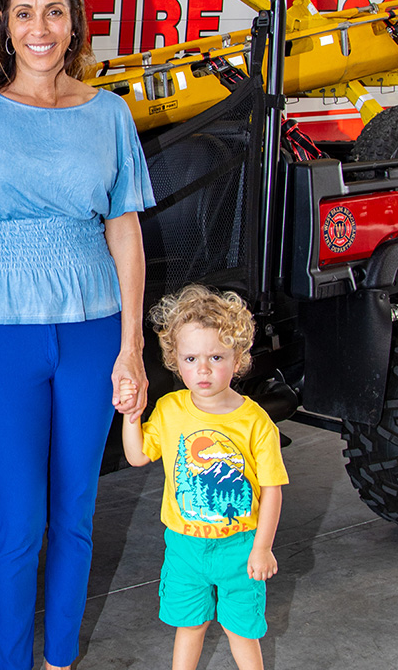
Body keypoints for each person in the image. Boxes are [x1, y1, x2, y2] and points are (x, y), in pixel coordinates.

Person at [0, 0, 156, 670]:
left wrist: (132, 345)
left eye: (54, 11)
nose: (41, 29)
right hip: (0, 337)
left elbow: (126, 236)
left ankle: (60, 663)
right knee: (21, 522)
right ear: (4, 25)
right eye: (24, 14)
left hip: (91, 334)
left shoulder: (109, 113)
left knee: (77, 516)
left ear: (75, 22)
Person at [120, 285, 289, 670]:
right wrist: (132, 416)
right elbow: (138, 455)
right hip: (185, 549)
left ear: (238, 357)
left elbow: (272, 491)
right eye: (191, 358)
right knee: (189, 626)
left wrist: (262, 548)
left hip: (240, 548)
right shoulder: (170, 408)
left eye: (216, 356)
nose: (204, 369)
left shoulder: (255, 422)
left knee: (242, 631)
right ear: (175, 360)